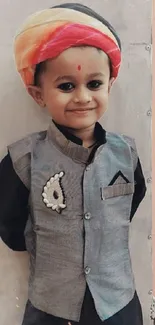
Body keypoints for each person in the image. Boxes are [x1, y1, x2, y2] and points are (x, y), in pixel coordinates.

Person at [0, 3, 146, 325]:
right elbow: (10, 228)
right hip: (50, 310)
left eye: (94, 84)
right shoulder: (23, 160)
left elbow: (129, 207)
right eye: (66, 86)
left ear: (109, 85)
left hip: (118, 307)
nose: (82, 97)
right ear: (38, 95)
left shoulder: (127, 155)